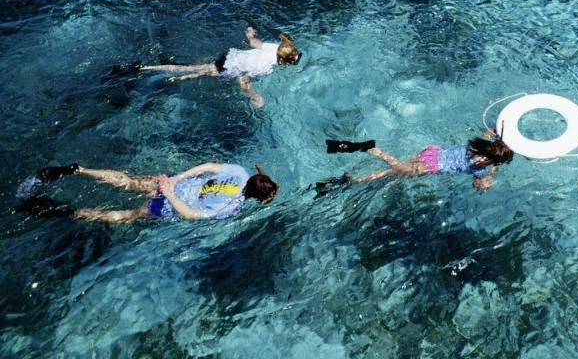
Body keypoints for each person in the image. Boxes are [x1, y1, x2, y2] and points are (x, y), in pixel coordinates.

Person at [16, 161, 278, 223]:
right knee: (126, 215)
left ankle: (78, 170)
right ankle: (65, 211)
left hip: (175, 184)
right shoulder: (231, 208)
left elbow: (207, 167)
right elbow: (190, 215)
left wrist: (174, 180)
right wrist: (170, 193)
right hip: (165, 204)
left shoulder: (240, 171)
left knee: (127, 182)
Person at [137, 27, 301, 108]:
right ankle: (149, 69)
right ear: (283, 60)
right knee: (189, 72)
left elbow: (252, 42)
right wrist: (255, 97)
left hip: (229, 55)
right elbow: (243, 82)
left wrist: (250, 32)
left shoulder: (275, 47)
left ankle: (153, 69)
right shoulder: (265, 67)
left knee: (195, 69)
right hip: (226, 66)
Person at [315, 130, 514, 196]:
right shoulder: (482, 166)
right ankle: (370, 149)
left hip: (431, 152)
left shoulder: (481, 149)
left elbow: (485, 138)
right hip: (430, 166)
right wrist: (488, 180)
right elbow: (479, 185)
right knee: (397, 168)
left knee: (393, 175)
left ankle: (351, 181)